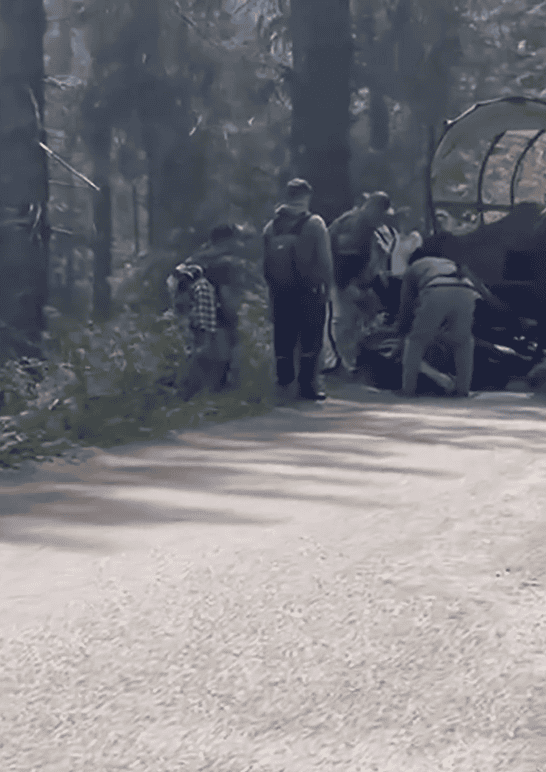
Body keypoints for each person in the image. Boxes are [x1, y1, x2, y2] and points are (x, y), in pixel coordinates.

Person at [263, 178, 334, 401]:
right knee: (310, 340)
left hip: (281, 292)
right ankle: (308, 386)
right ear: (306, 197)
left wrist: (272, 292)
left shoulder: (271, 227)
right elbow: (324, 261)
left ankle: (283, 385)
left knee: (283, 339)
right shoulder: (314, 224)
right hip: (308, 290)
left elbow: (265, 264)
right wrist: (327, 286)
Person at [393, 233, 481, 397]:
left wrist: (400, 329)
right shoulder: (449, 263)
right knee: (463, 342)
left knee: (416, 341)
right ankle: (463, 390)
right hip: (467, 290)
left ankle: (407, 390)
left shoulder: (414, 267)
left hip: (436, 287)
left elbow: (406, 307)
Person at [327, 191, 394, 374]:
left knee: (364, 319)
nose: (382, 219)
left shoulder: (364, 224)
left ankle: (352, 362)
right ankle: (343, 364)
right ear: (373, 208)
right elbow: (343, 257)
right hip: (345, 282)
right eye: (381, 213)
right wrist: (345, 285)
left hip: (355, 283)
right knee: (344, 323)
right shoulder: (354, 224)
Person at [167, 263, 231, 401]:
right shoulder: (197, 287)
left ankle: (193, 394)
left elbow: (204, 314)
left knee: (198, 359)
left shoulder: (201, 286)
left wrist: (203, 335)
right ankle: (196, 393)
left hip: (204, 331)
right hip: (201, 330)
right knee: (196, 359)